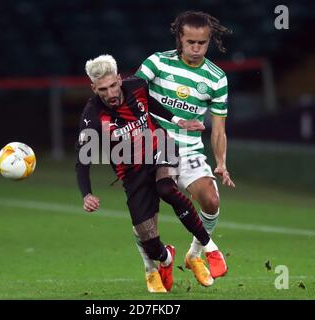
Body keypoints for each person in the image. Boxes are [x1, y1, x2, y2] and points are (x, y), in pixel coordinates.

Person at [75, 54, 226, 293]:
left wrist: (178, 120)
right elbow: (82, 161)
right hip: (131, 172)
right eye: (103, 89)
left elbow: (151, 104)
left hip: (160, 147)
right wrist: (87, 194)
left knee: (166, 188)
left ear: (119, 78)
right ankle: (166, 258)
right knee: (148, 239)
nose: (111, 93)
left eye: (113, 85)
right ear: (94, 88)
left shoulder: (137, 86)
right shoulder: (91, 116)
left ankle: (210, 249)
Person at [135, 11, 234, 284]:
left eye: (201, 43)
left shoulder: (216, 78)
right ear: (179, 38)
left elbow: (219, 128)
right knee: (146, 218)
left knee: (211, 200)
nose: (195, 48)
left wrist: (221, 162)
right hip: (152, 147)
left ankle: (194, 254)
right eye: (190, 41)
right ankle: (154, 266)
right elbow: (131, 96)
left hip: (189, 151)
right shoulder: (157, 62)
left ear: (209, 41)